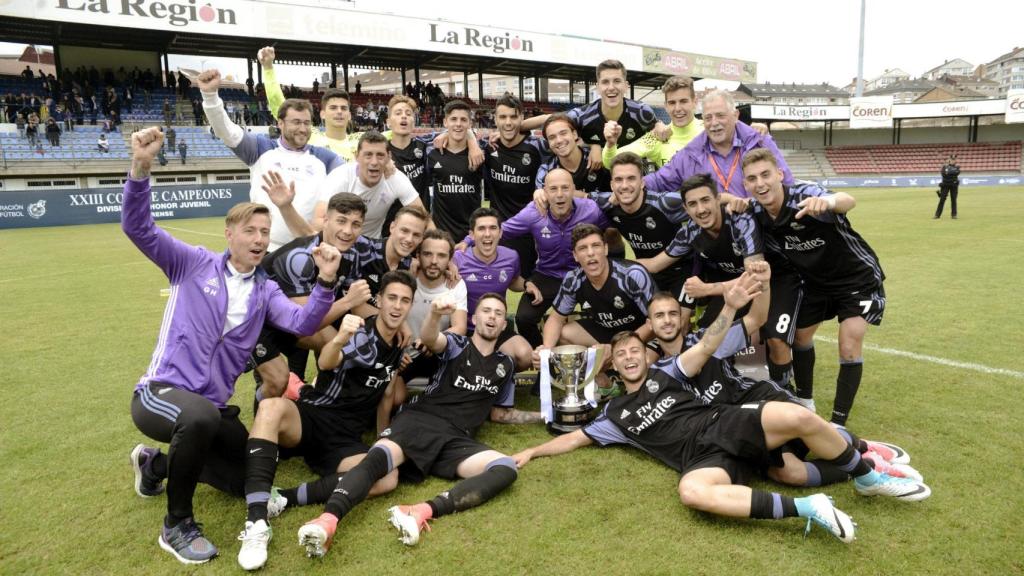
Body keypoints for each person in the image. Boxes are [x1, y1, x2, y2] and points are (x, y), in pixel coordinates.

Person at [514, 275, 929, 544]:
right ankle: (809, 508)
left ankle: (867, 474)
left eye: (633, 350)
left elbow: (708, 344)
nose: (627, 357)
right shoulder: (615, 415)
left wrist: (728, 306)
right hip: (701, 458)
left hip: (724, 422)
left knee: (800, 417)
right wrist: (530, 452)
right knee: (693, 492)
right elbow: (575, 438)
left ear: (645, 355)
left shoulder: (669, 372)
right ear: (612, 365)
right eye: (619, 355)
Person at [123, 127, 339, 564]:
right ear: (230, 233)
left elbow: (303, 323)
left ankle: (155, 466)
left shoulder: (265, 291)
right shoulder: (192, 263)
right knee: (199, 418)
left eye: (265, 231)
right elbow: (138, 228)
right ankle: (177, 524)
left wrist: (326, 282)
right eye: (251, 230)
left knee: (248, 477)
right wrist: (141, 168)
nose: (260, 239)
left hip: (212, 409)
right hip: (160, 394)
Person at [296, 294, 543, 557]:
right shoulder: (457, 344)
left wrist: (546, 416)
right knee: (376, 465)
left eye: (498, 313)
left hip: (456, 439)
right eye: (486, 311)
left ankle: (419, 511)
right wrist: (435, 315)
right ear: (474, 318)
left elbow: (500, 415)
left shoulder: (505, 365)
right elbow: (430, 339)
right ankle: (327, 520)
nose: (492, 317)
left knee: (504, 468)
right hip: (420, 420)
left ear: (504, 325)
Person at [236, 272, 415, 570]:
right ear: (379, 301)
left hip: (345, 440)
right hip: (314, 417)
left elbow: (386, 393)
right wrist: (341, 337)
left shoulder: (399, 342)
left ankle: (283, 499)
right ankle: (256, 521)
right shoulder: (361, 333)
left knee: (388, 476)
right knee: (270, 409)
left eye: (405, 301)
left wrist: (383, 433)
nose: (397, 306)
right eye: (392, 298)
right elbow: (326, 361)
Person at [739, 148, 884, 426]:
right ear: (746, 184)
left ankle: (838, 424)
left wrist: (827, 202)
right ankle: (805, 402)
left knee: (849, 345)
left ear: (780, 175)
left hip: (856, 279)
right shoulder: (755, 212)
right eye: (752, 178)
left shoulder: (804, 196)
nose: (760, 183)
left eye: (766, 175)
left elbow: (847, 200)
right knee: (801, 338)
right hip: (815, 283)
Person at [199, 67, 342, 252]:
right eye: (296, 122)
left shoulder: (326, 158)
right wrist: (210, 96)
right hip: (266, 251)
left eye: (307, 123)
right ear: (280, 123)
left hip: (309, 250)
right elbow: (225, 130)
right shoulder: (259, 149)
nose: (303, 128)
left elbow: (354, 177)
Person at [248, 191, 373, 400]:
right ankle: (263, 407)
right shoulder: (301, 258)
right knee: (277, 381)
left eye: (356, 224)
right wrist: (348, 301)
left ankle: (322, 402)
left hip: (288, 317)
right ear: (325, 221)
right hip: (257, 320)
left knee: (338, 348)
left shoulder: (351, 253)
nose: (347, 231)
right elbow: (306, 325)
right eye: (341, 221)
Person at [498, 168, 609, 348]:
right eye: (553, 189)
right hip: (547, 274)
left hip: (583, 274)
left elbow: (616, 223)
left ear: (573, 189)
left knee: (605, 315)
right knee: (524, 318)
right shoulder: (534, 212)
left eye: (565, 188)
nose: (559, 195)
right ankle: (545, 357)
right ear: (545, 192)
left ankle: (595, 360)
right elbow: (502, 231)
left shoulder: (590, 210)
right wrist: (466, 243)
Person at [523, 59, 666, 172]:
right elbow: (551, 119)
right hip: (598, 179)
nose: (611, 87)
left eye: (617, 81)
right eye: (605, 82)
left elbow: (658, 131)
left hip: (631, 180)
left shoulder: (642, 112)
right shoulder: (583, 115)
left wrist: (659, 125)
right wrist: (509, 130)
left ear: (626, 86)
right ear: (598, 87)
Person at [645, 90, 793, 198]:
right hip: (715, 236)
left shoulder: (760, 142)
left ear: (735, 116)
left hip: (761, 232)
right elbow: (658, 181)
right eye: (708, 118)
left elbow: (787, 184)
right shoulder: (691, 154)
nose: (714, 123)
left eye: (720, 116)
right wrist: (628, 186)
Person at [540, 223, 655, 353]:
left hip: (641, 332)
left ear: (606, 249)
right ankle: (595, 369)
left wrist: (618, 348)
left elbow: (655, 320)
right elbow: (555, 319)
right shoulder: (573, 280)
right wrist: (546, 351)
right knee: (563, 334)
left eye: (596, 246)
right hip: (605, 332)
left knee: (646, 356)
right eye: (583, 248)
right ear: (575, 256)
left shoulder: (632, 275)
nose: (590, 253)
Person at [591, 153, 690, 297]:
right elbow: (576, 198)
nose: (624, 186)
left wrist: (731, 200)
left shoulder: (664, 203)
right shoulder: (606, 204)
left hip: (682, 270)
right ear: (612, 185)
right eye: (619, 180)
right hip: (647, 271)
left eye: (631, 178)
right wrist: (544, 193)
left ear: (642, 182)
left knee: (679, 318)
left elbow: (710, 200)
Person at [453, 207, 535, 371]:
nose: (487, 234)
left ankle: (493, 374)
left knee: (525, 356)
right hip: (465, 329)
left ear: (500, 232)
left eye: (493, 228)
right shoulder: (457, 259)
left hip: (496, 328)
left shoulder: (511, 257)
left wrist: (526, 284)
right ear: (472, 234)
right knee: (465, 368)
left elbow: (512, 280)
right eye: (481, 228)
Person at [478, 94, 548, 278]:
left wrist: (521, 126)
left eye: (513, 117)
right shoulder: (488, 146)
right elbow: (457, 133)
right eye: (502, 117)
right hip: (495, 231)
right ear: (495, 119)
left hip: (527, 232)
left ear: (522, 118)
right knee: (490, 285)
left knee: (528, 284)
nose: (508, 122)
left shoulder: (537, 147)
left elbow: (562, 120)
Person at [314, 130, 430, 238]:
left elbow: (424, 219)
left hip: (371, 247)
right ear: (357, 157)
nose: (374, 162)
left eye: (380, 155)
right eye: (368, 155)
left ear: (389, 157)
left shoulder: (395, 178)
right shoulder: (340, 177)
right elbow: (319, 220)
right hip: (338, 242)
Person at [260, 47, 362, 161]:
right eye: (333, 108)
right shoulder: (311, 136)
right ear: (322, 114)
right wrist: (268, 68)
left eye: (343, 108)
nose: (339, 111)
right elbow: (279, 106)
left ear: (349, 115)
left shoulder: (362, 142)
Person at [602, 75, 702, 169]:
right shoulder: (657, 138)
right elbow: (611, 162)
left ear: (695, 102)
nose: (677, 108)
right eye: (672, 103)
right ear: (666, 106)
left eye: (683, 101)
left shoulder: (709, 132)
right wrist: (611, 143)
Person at [427, 100, 484, 240]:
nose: (458, 124)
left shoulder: (480, 154)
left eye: (463, 120)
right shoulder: (431, 153)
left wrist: (473, 141)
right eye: (453, 119)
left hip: (471, 236)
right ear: (445, 122)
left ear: (470, 124)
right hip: (441, 235)